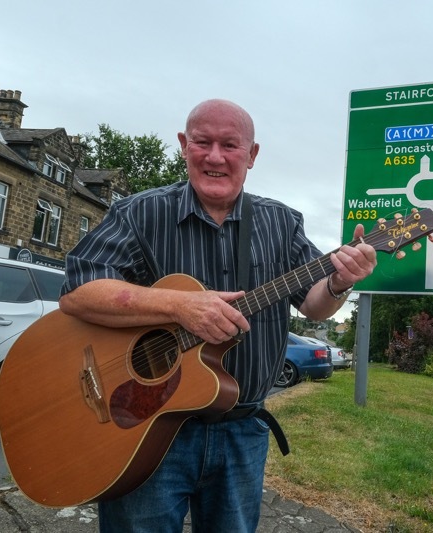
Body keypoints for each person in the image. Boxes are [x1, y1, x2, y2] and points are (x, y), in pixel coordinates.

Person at [58, 99, 377, 532]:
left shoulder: (281, 223)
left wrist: (341, 282)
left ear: (252, 155)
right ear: (183, 146)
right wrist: (179, 305)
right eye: (202, 142)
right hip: (141, 428)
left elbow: (313, 303)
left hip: (241, 431)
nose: (214, 156)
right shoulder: (140, 213)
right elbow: (78, 291)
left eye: (230, 145)